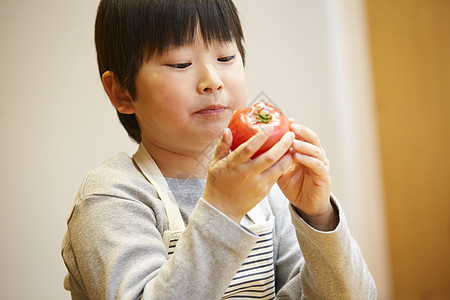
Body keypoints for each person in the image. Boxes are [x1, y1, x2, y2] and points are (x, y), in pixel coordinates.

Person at [61, 0, 377, 299]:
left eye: (225, 58)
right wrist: (223, 209)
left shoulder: (267, 191)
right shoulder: (112, 196)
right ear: (122, 92)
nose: (212, 81)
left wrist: (317, 216)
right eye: (180, 63)